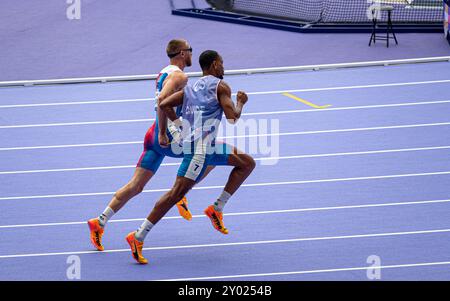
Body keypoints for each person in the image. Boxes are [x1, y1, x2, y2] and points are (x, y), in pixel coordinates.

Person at [125, 50, 256, 264]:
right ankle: (138, 236)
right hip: (199, 152)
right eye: (222, 64)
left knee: (247, 163)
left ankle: (216, 208)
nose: (224, 68)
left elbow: (164, 104)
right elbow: (233, 118)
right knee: (175, 194)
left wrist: (178, 130)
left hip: (206, 146)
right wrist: (241, 102)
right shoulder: (221, 87)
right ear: (214, 65)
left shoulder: (191, 88)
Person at [87, 39, 213, 251]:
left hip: (152, 134)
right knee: (210, 154)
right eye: (190, 51)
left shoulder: (163, 72)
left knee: (135, 185)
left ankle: (99, 221)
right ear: (182, 53)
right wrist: (165, 132)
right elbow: (162, 101)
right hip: (165, 137)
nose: (193, 54)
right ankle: (181, 193)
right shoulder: (180, 75)